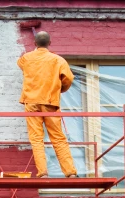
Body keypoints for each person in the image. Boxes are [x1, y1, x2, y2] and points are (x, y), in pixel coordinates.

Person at [17, 31, 78, 178]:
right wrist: (60, 89)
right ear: (50, 43)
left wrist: (35, 53)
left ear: (34, 43)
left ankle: (43, 172)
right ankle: (69, 172)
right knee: (57, 137)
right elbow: (68, 78)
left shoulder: (26, 58)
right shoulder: (58, 60)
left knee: (36, 138)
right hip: (50, 101)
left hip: (31, 102)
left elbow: (21, 64)